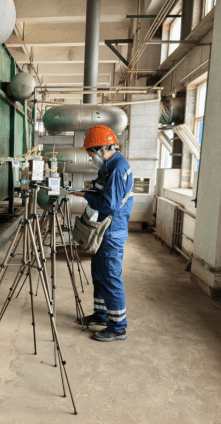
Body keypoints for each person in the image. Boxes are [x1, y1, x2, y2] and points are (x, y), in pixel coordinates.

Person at [72, 125, 133, 342]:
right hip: (104, 229)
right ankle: (101, 314)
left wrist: (85, 196)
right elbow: (102, 191)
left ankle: (118, 327)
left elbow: (109, 205)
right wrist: (87, 191)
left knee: (110, 278)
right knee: (99, 275)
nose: (91, 159)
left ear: (102, 149)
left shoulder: (117, 169)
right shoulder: (108, 166)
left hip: (111, 231)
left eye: (92, 154)